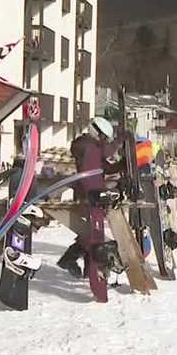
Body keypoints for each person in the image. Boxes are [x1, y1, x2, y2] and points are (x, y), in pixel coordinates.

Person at [56, 117, 121, 277]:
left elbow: (107, 167)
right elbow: (100, 152)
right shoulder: (83, 144)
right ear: (95, 132)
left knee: (92, 231)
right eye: (103, 138)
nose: (104, 141)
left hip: (95, 193)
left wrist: (123, 165)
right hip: (85, 193)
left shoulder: (95, 148)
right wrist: (118, 142)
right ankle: (68, 259)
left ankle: (87, 269)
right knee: (92, 233)